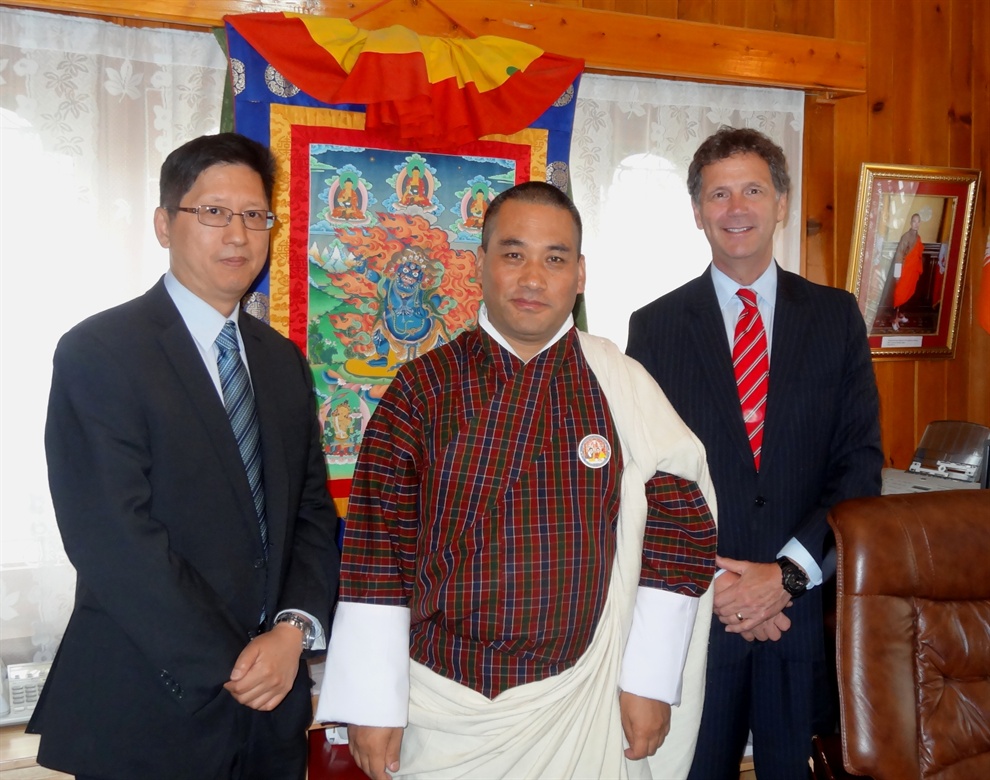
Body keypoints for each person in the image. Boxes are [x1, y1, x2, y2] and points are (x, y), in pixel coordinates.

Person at [318, 181, 719, 780]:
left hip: (585, 699)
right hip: (441, 703)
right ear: (479, 265)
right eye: (513, 254)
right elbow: (377, 549)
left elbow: (679, 523)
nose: (534, 277)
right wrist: (374, 703)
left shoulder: (622, 385)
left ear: (579, 274)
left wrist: (651, 679)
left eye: (555, 258)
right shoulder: (421, 389)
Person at [30, 133, 341, 780]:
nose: (239, 234)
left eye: (256, 215)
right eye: (215, 212)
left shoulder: (281, 362)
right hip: (149, 708)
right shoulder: (101, 352)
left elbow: (312, 514)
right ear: (164, 224)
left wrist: (291, 634)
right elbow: (113, 538)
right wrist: (233, 661)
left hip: (272, 712)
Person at [626, 127, 882, 780]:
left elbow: (857, 467)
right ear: (696, 212)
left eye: (752, 190)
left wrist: (785, 578)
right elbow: (643, 477)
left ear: (780, 203)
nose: (735, 208)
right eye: (718, 194)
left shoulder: (836, 317)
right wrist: (720, 582)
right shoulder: (654, 328)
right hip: (699, 621)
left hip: (803, 624)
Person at [891, 212, 924, 329]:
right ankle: (895, 321)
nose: (915, 224)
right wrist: (897, 273)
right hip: (904, 270)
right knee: (900, 295)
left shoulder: (918, 237)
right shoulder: (906, 236)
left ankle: (901, 315)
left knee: (908, 295)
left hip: (912, 271)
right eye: (913, 221)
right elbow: (899, 254)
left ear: (920, 223)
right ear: (911, 223)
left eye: (917, 221)